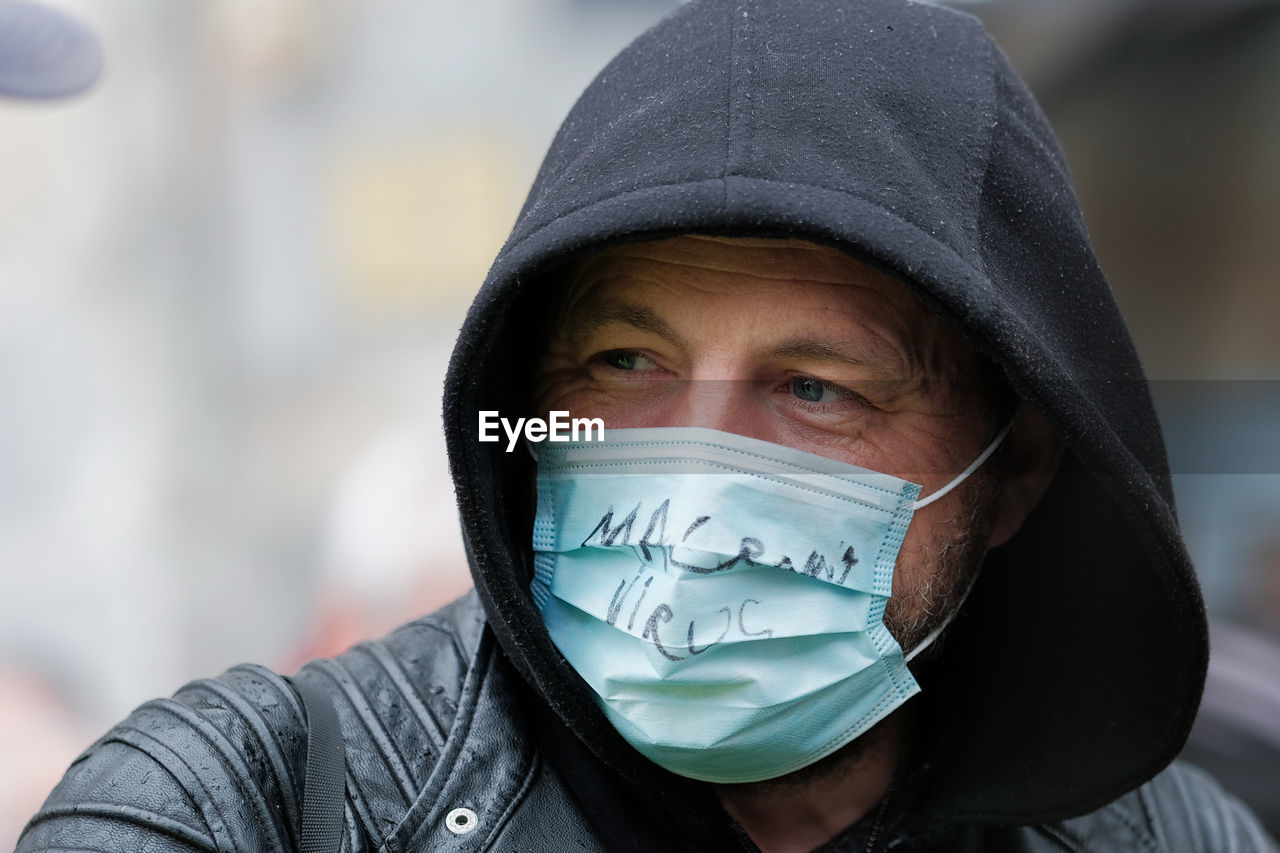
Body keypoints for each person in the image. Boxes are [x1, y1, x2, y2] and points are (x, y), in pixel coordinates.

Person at [17, 0, 1279, 850]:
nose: (695, 475)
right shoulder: (235, 807)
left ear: (1011, 476)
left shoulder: (1175, 837)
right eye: (625, 362)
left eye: (813, 388)